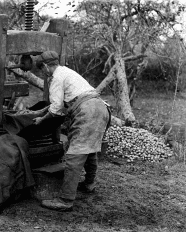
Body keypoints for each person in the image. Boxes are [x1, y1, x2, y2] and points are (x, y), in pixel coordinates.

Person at [34, 51, 110, 211]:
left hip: (87, 111)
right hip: (100, 108)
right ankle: (89, 184)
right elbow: (60, 104)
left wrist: (40, 120)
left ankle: (65, 200)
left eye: (42, 69)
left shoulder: (55, 78)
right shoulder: (67, 72)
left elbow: (56, 110)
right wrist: (41, 112)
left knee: (74, 155)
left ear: (46, 66)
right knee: (89, 150)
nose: (43, 73)